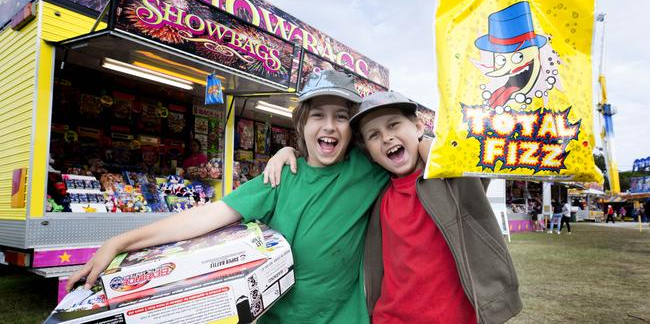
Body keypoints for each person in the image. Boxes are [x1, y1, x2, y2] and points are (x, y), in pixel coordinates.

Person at [66, 69, 390, 324]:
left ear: (353, 128)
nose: (330, 125)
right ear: (302, 124)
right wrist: (119, 242)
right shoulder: (280, 176)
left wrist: (421, 144)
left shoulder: (368, 169)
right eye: (318, 115)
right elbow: (206, 216)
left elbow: (412, 153)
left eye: (341, 116)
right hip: (277, 318)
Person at [266, 91, 522, 323]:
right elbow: (328, 163)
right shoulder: (376, 191)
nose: (386, 137)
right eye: (374, 135)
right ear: (368, 150)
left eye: (394, 125)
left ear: (419, 125)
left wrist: (428, 146)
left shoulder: (451, 180)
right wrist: (288, 151)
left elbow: (478, 151)